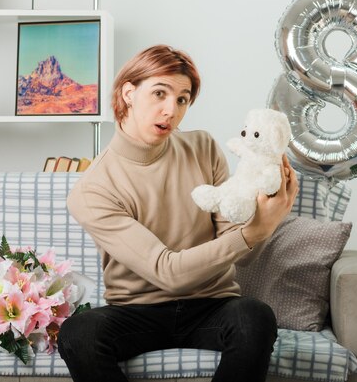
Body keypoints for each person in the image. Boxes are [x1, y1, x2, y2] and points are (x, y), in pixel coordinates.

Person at [58, 44, 299, 382]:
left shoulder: (203, 147)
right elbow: (166, 271)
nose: (171, 110)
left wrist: (264, 222)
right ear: (129, 93)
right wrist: (254, 232)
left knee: (254, 316)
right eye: (160, 93)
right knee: (78, 334)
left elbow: (241, 254)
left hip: (212, 305)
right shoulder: (92, 190)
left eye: (182, 99)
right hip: (135, 312)